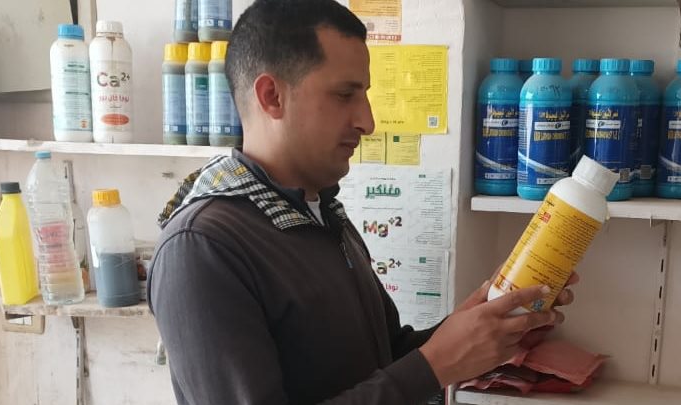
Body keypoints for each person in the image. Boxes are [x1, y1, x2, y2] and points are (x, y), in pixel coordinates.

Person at [148, 0, 576, 404]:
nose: (367, 121)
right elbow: (412, 374)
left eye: (364, 95)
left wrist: (486, 320)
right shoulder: (203, 247)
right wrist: (435, 365)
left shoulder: (321, 214)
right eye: (344, 95)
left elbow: (384, 358)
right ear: (272, 96)